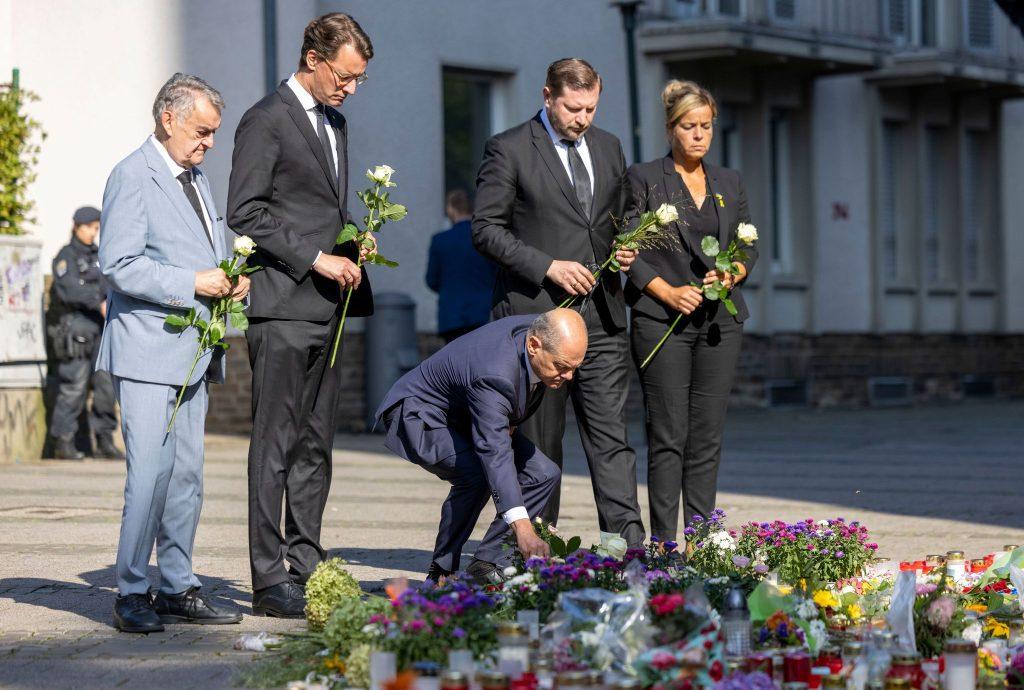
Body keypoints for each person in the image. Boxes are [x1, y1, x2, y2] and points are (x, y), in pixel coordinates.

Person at [227, 12, 375, 618]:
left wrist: (351, 241)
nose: (351, 89)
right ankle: (268, 579)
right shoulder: (265, 119)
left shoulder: (335, 122)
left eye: (360, 79)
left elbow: (318, 207)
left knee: (316, 444)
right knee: (276, 444)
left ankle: (305, 562)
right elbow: (246, 210)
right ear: (314, 59)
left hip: (329, 309)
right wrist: (315, 257)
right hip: (283, 306)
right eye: (345, 76)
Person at [472, 58, 645, 548]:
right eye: (573, 108)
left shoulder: (609, 147)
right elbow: (485, 230)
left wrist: (627, 242)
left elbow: (619, 214)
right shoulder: (508, 149)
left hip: (604, 319)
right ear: (548, 96)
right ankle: (533, 555)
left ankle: (627, 553)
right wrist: (547, 265)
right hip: (539, 323)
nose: (582, 118)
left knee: (613, 442)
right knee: (540, 450)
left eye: (591, 108)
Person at [97, 73, 248, 632]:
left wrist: (231, 277)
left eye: (213, 133)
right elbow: (117, 263)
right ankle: (131, 591)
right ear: (169, 118)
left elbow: (205, 250)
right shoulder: (132, 175)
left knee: (187, 475)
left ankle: (177, 586)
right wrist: (194, 282)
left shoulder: (196, 177)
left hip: (193, 351)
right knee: (150, 475)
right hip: (146, 351)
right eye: (202, 130)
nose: (209, 141)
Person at [625, 80, 758, 541]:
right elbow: (628, 248)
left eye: (706, 126)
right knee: (669, 436)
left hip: (720, 324)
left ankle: (701, 542)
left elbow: (747, 243)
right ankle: (663, 544)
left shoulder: (729, 182)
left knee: (706, 438)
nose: (699, 135)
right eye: (688, 126)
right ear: (670, 128)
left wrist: (733, 272)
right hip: (662, 322)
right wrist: (667, 292)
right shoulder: (644, 178)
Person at [375, 309, 588, 584]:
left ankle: (485, 563)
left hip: (469, 411)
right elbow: (495, 453)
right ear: (534, 345)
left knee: (544, 473)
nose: (569, 376)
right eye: (562, 366)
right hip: (422, 413)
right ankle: (442, 572)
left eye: (575, 367)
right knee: (475, 474)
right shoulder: (495, 373)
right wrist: (522, 527)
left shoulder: (542, 333)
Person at [47, 206, 121, 460]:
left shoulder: (100, 256)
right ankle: (63, 442)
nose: (93, 232)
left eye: (97, 228)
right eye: (89, 227)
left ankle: (105, 442)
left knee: (105, 388)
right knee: (74, 388)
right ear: (77, 226)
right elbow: (68, 290)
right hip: (76, 331)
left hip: (101, 331)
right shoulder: (65, 257)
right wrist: (96, 300)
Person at [426, 190, 496, 343]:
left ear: (450, 209)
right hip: (482, 313)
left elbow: (431, 280)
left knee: (452, 364)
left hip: (452, 315)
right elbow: (496, 273)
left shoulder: (440, 240)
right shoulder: (485, 237)